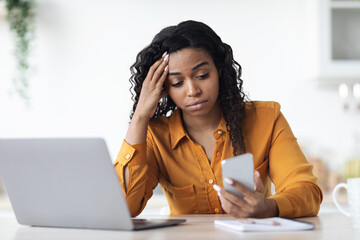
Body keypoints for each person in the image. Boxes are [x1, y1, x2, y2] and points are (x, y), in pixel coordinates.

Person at [114, 20, 322, 218]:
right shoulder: (155, 136)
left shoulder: (267, 119)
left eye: (202, 75)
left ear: (219, 70)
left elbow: (307, 192)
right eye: (177, 83)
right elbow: (123, 207)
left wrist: (268, 207)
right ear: (163, 88)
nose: (193, 90)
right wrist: (140, 116)